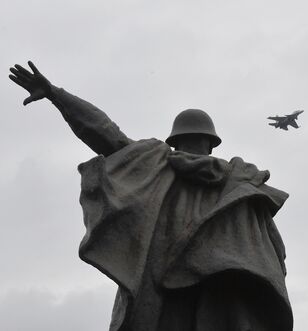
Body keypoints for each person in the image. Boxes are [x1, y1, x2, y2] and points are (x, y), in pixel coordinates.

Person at [9, 61, 293, 331]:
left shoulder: (155, 166)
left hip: (159, 300)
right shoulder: (242, 186)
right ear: (211, 142)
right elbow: (275, 259)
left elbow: (105, 134)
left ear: (175, 140)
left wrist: (55, 95)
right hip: (217, 305)